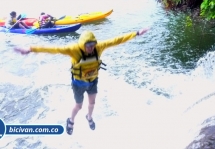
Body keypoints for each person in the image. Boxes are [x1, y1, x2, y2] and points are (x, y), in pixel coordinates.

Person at [14, 28, 149, 135]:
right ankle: (71, 120)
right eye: (88, 45)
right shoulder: (74, 50)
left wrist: (136, 33)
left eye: (92, 44)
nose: (91, 47)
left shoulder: (99, 47)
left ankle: (89, 118)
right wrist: (30, 49)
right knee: (78, 106)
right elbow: (53, 49)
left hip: (93, 81)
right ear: (82, 44)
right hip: (78, 83)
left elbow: (116, 40)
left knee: (92, 103)